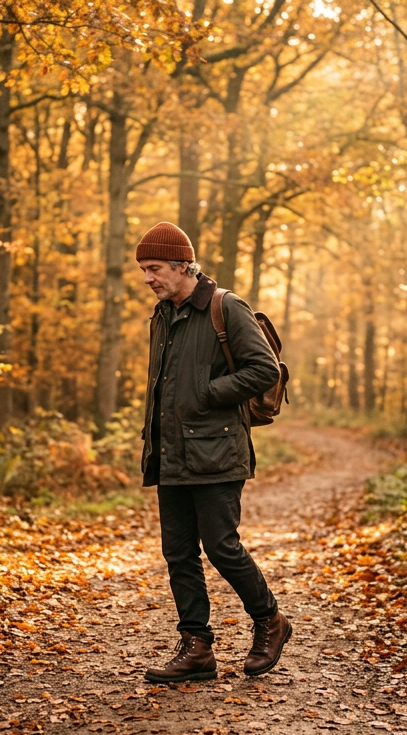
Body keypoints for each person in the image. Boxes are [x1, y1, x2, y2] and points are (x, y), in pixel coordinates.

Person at [134, 221, 291, 683]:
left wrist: (207, 392)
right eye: (144, 269)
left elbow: (264, 369)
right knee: (178, 552)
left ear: (184, 266)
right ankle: (197, 648)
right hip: (171, 453)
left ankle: (270, 621)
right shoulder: (163, 315)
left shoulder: (227, 307)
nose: (148, 278)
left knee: (221, 546)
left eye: (155, 268)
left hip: (218, 451)